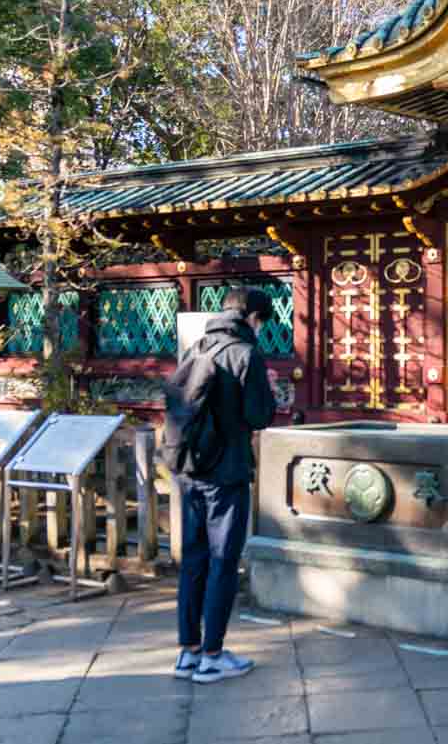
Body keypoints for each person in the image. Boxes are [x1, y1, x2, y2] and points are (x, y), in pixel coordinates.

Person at [172, 287, 277, 684]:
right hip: (226, 472)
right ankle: (213, 654)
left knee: (194, 560)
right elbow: (260, 415)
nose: (261, 327)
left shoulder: (198, 348)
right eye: (262, 320)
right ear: (252, 317)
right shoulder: (245, 353)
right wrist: (263, 384)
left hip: (189, 470)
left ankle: (189, 651)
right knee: (223, 561)